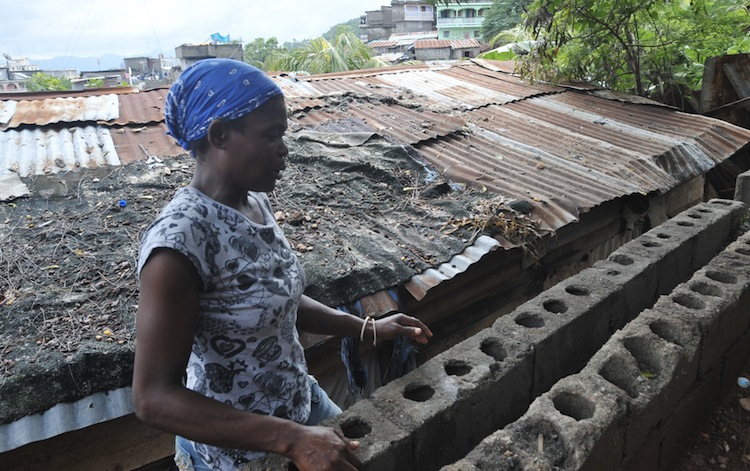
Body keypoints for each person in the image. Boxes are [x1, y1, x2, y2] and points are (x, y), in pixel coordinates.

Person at [132, 58, 432, 471]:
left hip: (299, 404)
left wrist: (368, 327)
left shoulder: (254, 202)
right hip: (238, 451)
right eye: (272, 135)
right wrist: (289, 440)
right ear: (219, 134)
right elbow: (153, 399)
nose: (284, 150)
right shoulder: (179, 246)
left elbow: (280, 300)